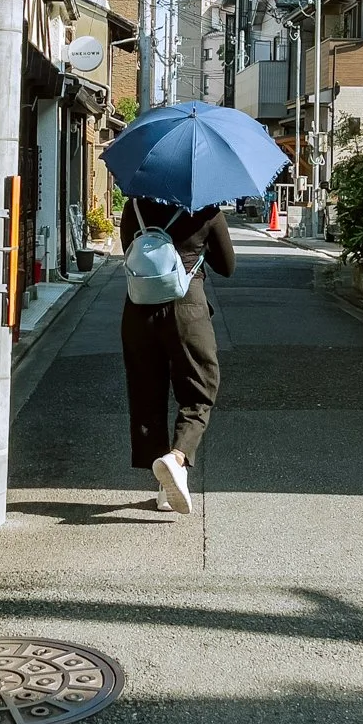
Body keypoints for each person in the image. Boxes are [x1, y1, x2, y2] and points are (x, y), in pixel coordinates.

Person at [118, 195, 236, 514]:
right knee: (200, 389)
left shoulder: (136, 207)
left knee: (147, 395)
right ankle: (177, 458)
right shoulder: (207, 210)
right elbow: (227, 266)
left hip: (139, 310)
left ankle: (165, 486)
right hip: (187, 308)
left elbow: (130, 250)